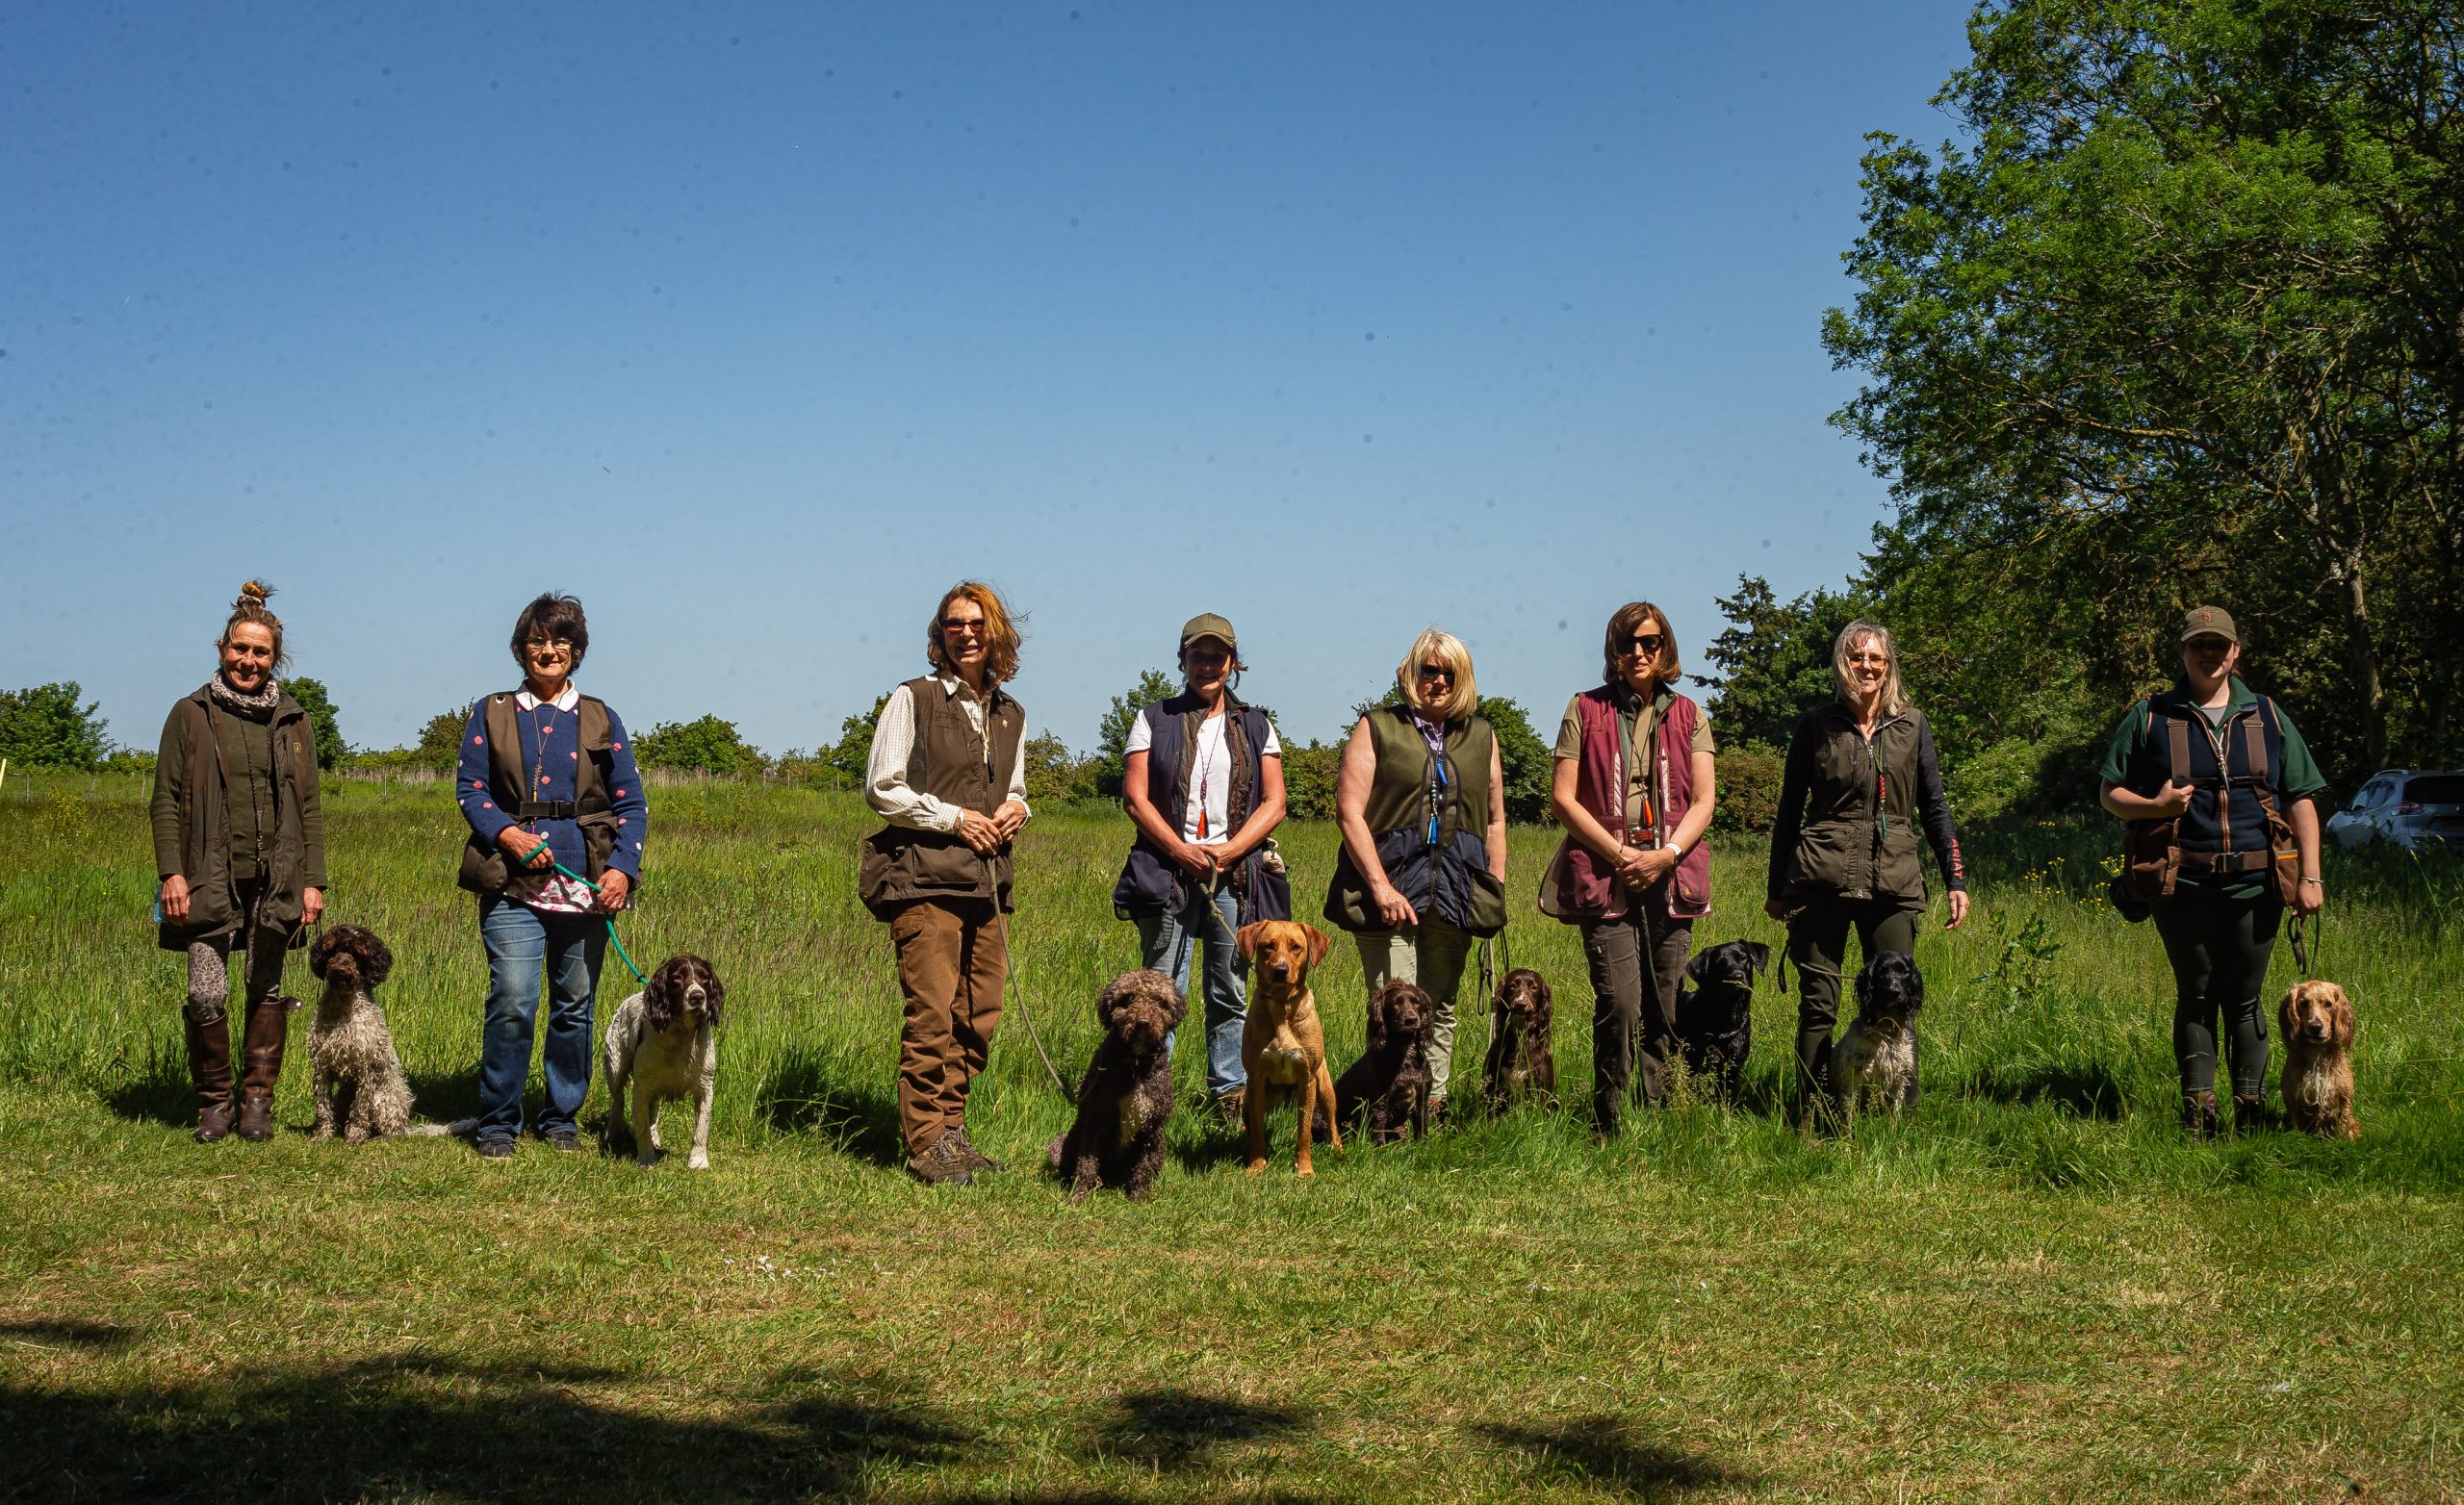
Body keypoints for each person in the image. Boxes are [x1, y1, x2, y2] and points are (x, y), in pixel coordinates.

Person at [2098, 606, 2324, 1137]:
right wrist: (2156, 805)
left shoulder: (2267, 714)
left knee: (2244, 998)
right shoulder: (2150, 715)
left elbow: (2303, 800)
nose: (2209, 652)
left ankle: (2249, 1113)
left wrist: (2310, 877)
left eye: (2219, 644)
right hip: (2182, 885)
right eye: (2198, 643)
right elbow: (2110, 793)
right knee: (2197, 993)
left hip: (2257, 883)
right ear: (2183, 651)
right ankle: (2199, 1114)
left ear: (2235, 651)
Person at [454, 593, 649, 1160]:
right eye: (538, 641)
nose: (549, 650)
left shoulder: (600, 716)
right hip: (511, 884)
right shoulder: (491, 712)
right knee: (513, 1000)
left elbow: (631, 803)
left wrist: (622, 871)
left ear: (577, 650)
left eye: (561, 641)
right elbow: (471, 790)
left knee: (574, 1006)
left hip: (585, 887)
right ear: (521, 649)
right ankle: (497, 1123)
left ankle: (561, 1117)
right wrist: (509, 836)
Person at [860, 581, 1032, 1187]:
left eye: (977, 624)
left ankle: (954, 1130)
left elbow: (1015, 787)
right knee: (931, 1015)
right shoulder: (914, 698)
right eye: (954, 624)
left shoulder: (1011, 712)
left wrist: (1016, 810)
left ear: (998, 634)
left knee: (979, 1013)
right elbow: (883, 788)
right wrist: (956, 819)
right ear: (940, 634)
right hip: (924, 880)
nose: (966, 633)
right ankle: (925, 1140)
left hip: (986, 885)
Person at [1765, 620, 1968, 1124]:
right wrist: (1777, 887)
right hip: (1819, 878)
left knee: (1899, 1000)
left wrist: (1955, 879)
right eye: (1857, 657)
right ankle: (1811, 1114)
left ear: (1889, 664)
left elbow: (1935, 807)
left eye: (1876, 658)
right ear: (1842, 663)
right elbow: (1789, 810)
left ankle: (1901, 1114)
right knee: (1818, 1007)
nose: (1867, 666)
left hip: (1894, 879)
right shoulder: (1816, 724)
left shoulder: (1913, 725)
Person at [152, 581, 327, 1143]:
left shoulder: (294, 720)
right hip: (207, 877)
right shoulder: (191, 714)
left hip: (275, 880)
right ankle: (214, 1104)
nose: (248, 661)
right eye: (240, 649)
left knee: (265, 987)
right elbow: (164, 798)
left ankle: (257, 1103)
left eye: (261, 652)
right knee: (206, 991)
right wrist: (171, 873)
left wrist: (312, 882)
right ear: (222, 649)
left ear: (275, 658)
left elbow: (310, 808)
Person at [1541, 602, 1718, 1132]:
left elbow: (1705, 801)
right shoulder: (1583, 709)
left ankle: (1657, 1118)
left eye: (1650, 642)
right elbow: (1563, 800)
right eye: (1627, 644)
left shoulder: (1690, 713)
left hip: (1672, 874)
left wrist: (1666, 855)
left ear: (1666, 647)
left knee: (1665, 1002)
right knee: (1620, 1004)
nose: (1639, 653)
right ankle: (1610, 1122)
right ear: (1612, 650)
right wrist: (1619, 855)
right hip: (1603, 873)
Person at [1323, 627, 1508, 1118]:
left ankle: (1433, 1105)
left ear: (1462, 678)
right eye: (1430, 670)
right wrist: (1380, 886)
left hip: (1457, 890)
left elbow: (1494, 818)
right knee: (1394, 1008)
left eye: (1450, 672)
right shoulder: (1378, 726)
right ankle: (1388, 1110)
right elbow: (1349, 812)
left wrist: (1495, 884)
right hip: (1387, 887)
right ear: (1412, 673)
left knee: (1440, 1007)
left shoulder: (1482, 735)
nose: (1439, 681)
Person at [1112, 613, 1290, 1119]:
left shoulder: (1256, 724)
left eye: (1218, 656)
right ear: (1183, 660)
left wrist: (1231, 851)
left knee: (1230, 987)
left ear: (1233, 664)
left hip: (1234, 875)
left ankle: (1229, 1093)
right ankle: (1147, 1093)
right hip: (1167, 871)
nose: (1207, 665)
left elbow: (1274, 802)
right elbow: (1135, 798)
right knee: (1162, 988)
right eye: (1198, 655)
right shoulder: (1154, 717)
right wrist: (1181, 850)